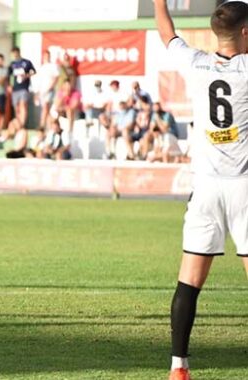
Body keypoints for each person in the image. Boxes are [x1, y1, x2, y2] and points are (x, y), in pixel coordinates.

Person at [155, 2, 248, 379]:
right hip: (244, 187)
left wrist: (159, 1)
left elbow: (167, 34)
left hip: (206, 188)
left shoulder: (195, 64)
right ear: (245, 33)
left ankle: (178, 367)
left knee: (189, 280)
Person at [8, 47, 36, 126]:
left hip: (24, 87)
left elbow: (33, 71)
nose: (14, 55)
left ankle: (23, 124)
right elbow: (8, 75)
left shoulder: (26, 62)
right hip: (15, 88)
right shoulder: (12, 64)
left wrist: (26, 75)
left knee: (23, 105)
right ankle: (18, 124)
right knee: (16, 108)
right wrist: (9, 86)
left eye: (15, 53)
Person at [36, 50, 60, 129]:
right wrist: (38, 93)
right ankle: (48, 127)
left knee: (46, 108)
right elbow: (39, 81)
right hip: (42, 92)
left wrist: (50, 87)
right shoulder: (41, 67)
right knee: (46, 110)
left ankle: (42, 125)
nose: (46, 57)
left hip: (50, 91)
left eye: (47, 56)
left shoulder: (53, 66)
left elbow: (56, 78)